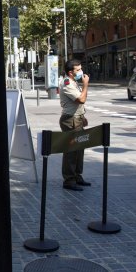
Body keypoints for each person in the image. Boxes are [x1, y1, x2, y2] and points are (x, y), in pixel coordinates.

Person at [58, 59, 91, 191]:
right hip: (70, 120)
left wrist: (83, 116)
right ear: (71, 73)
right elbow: (81, 99)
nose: (81, 72)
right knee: (71, 151)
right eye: (78, 70)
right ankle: (69, 180)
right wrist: (86, 85)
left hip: (76, 118)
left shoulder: (73, 81)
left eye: (81, 68)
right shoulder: (67, 83)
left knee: (79, 148)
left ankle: (77, 176)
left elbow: (78, 104)